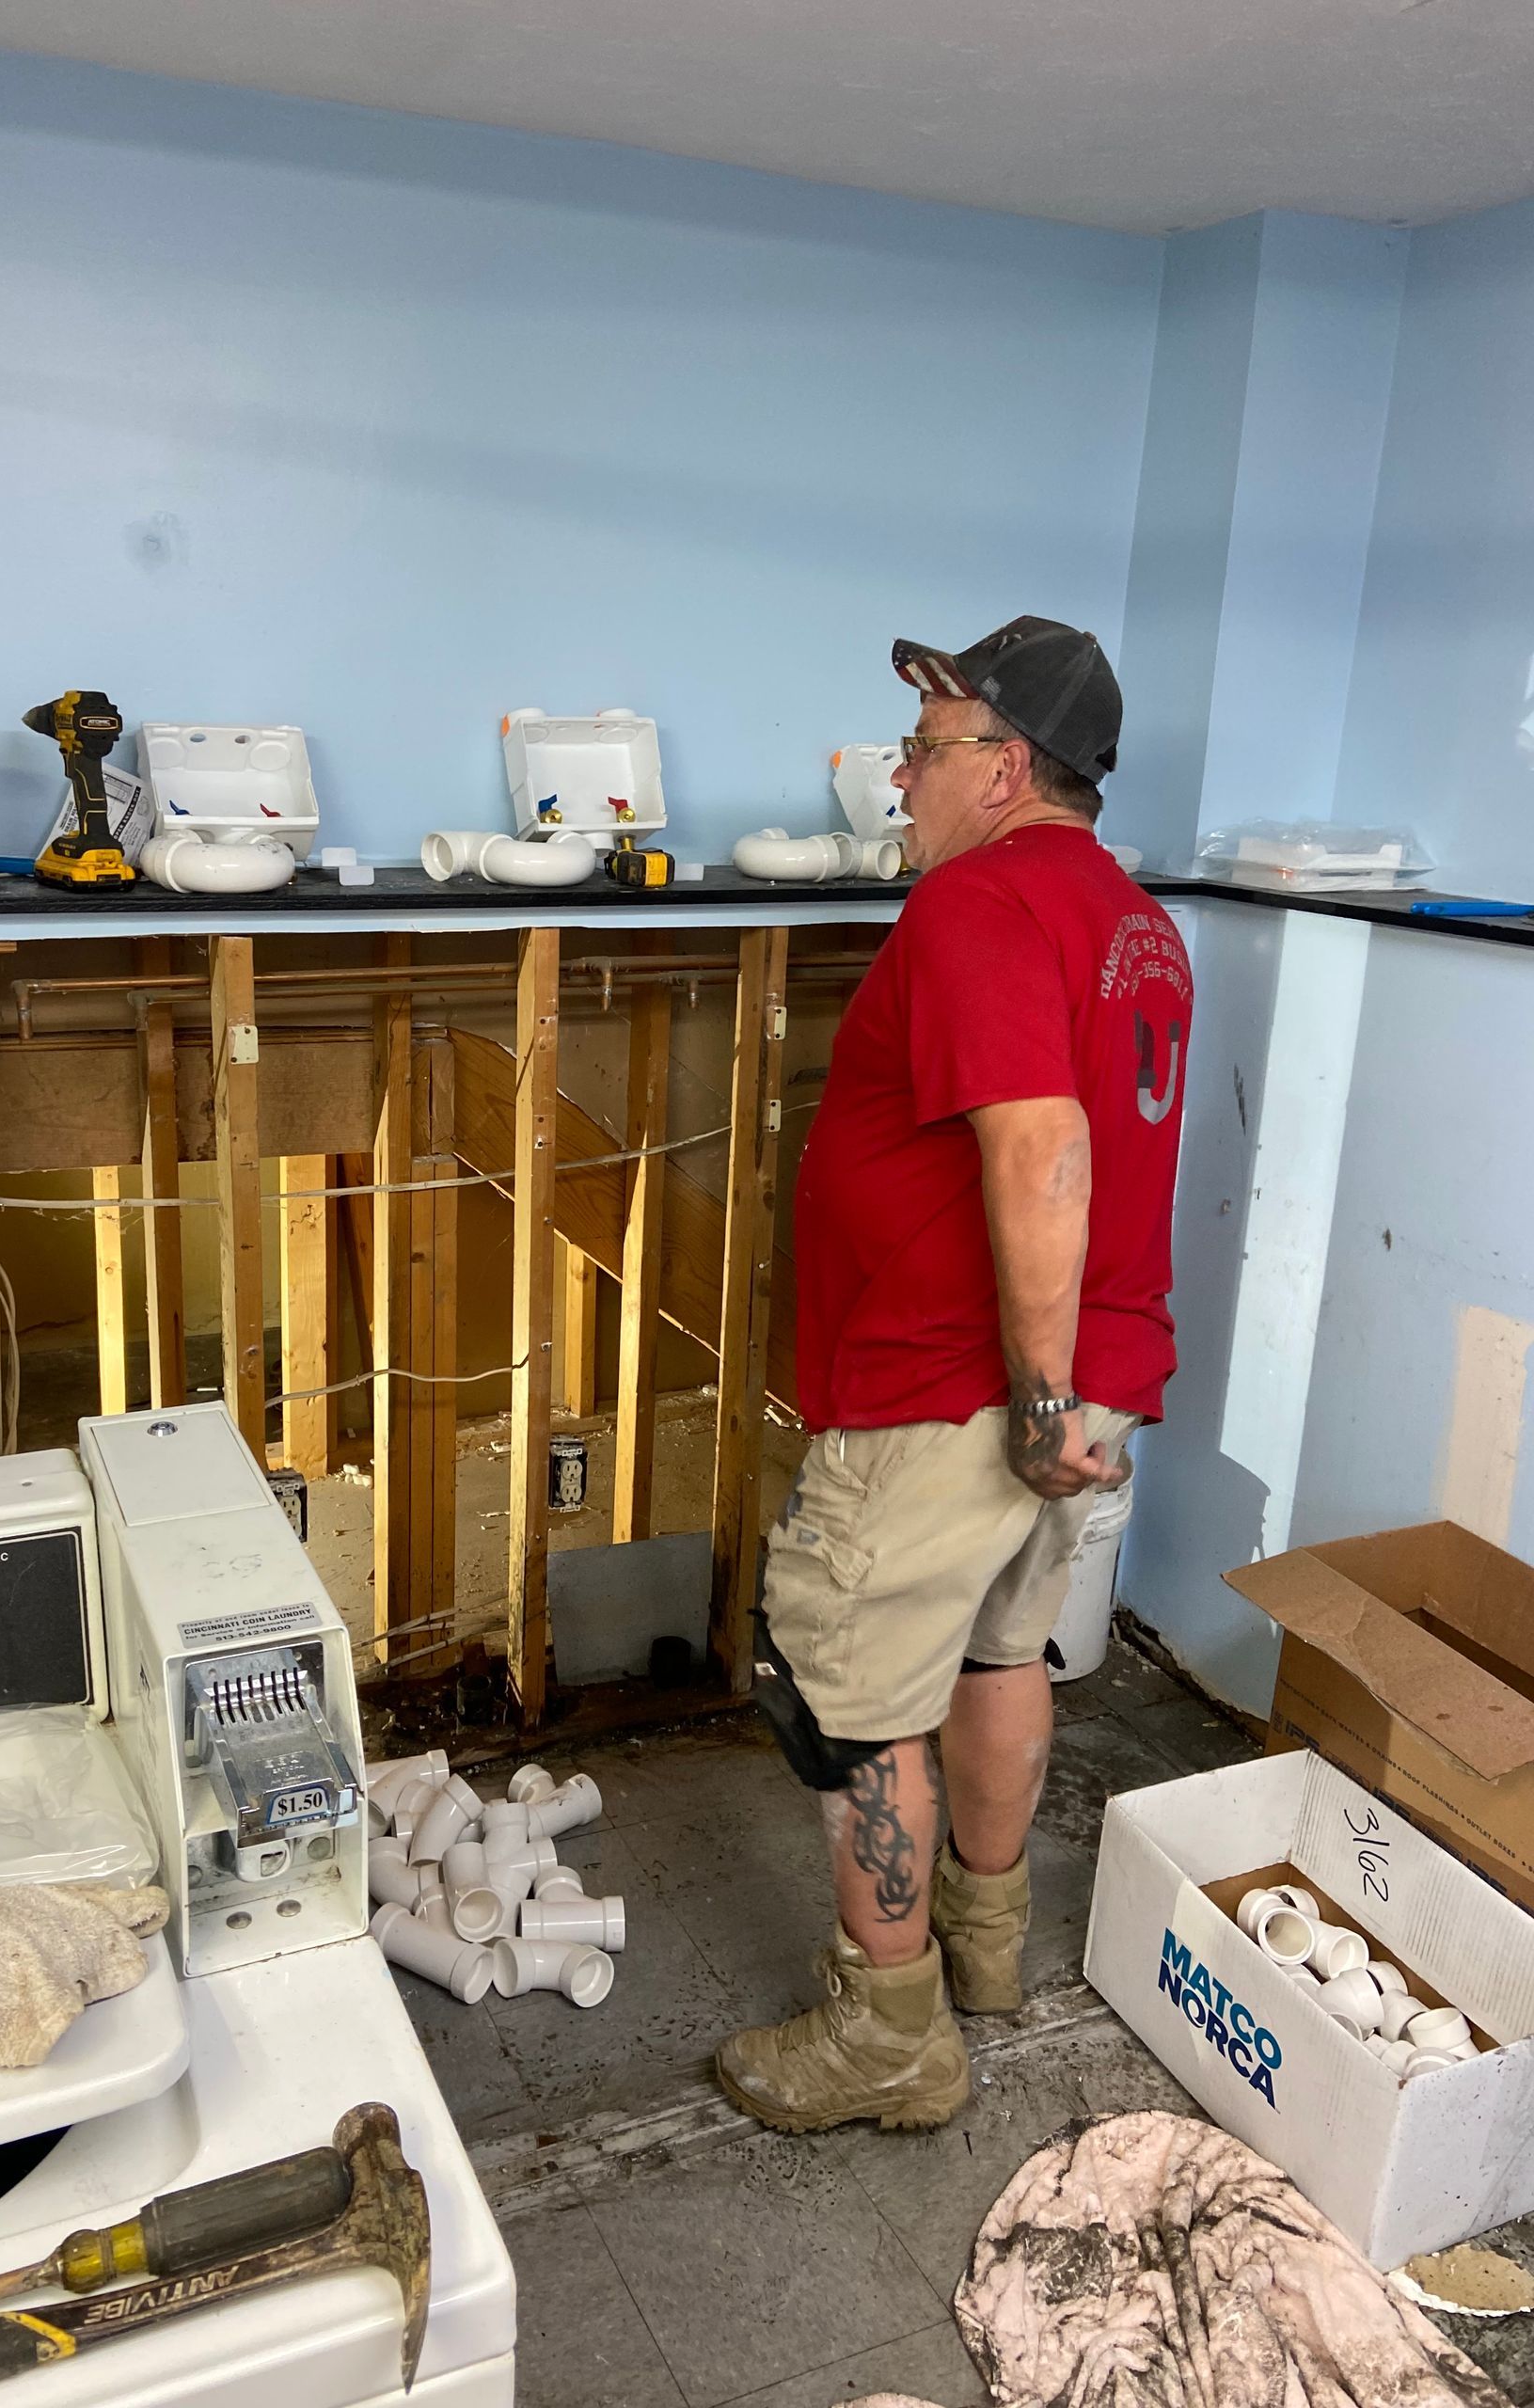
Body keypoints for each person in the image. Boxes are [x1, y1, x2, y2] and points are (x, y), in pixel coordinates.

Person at [716, 616, 1193, 2134]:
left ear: (1004, 769)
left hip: (957, 1401)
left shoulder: (981, 906)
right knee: (1000, 1658)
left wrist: (1035, 1403)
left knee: (854, 1707)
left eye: (924, 751)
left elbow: (1044, 1146)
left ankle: (892, 2038)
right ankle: (985, 1955)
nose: (901, 779)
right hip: (1071, 1387)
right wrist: (1065, 1402)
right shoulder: (1132, 918)